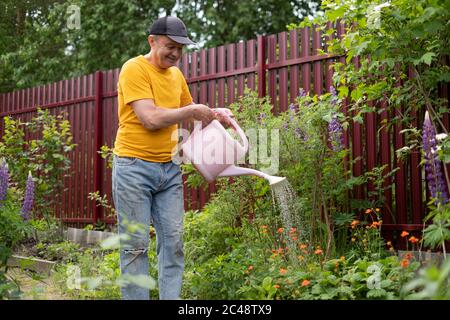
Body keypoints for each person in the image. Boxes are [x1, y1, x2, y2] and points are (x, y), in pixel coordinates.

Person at [112, 16, 229, 300]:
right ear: (152, 41)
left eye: (181, 48)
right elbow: (150, 118)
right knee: (136, 247)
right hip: (133, 168)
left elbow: (189, 111)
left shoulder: (176, 76)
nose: (175, 53)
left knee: (174, 242)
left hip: (169, 169)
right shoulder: (134, 69)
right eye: (170, 46)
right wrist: (192, 112)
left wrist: (215, 115)